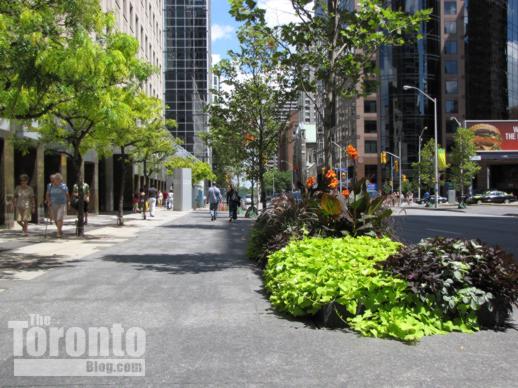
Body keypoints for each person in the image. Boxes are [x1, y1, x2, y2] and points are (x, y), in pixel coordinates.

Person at [45, 173, 70, 238]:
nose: (56, 180)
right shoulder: (50, 186)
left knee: (59, 218)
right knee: (55, 219)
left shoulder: (63, 186)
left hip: (62, 204)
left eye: (58, 179)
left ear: (60, 180)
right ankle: (60, 230)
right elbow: (47, 194)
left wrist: (68, 202)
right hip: (53, 204)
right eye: (55, 179)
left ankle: (58, 232)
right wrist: (48, 201)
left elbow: (67, 195)